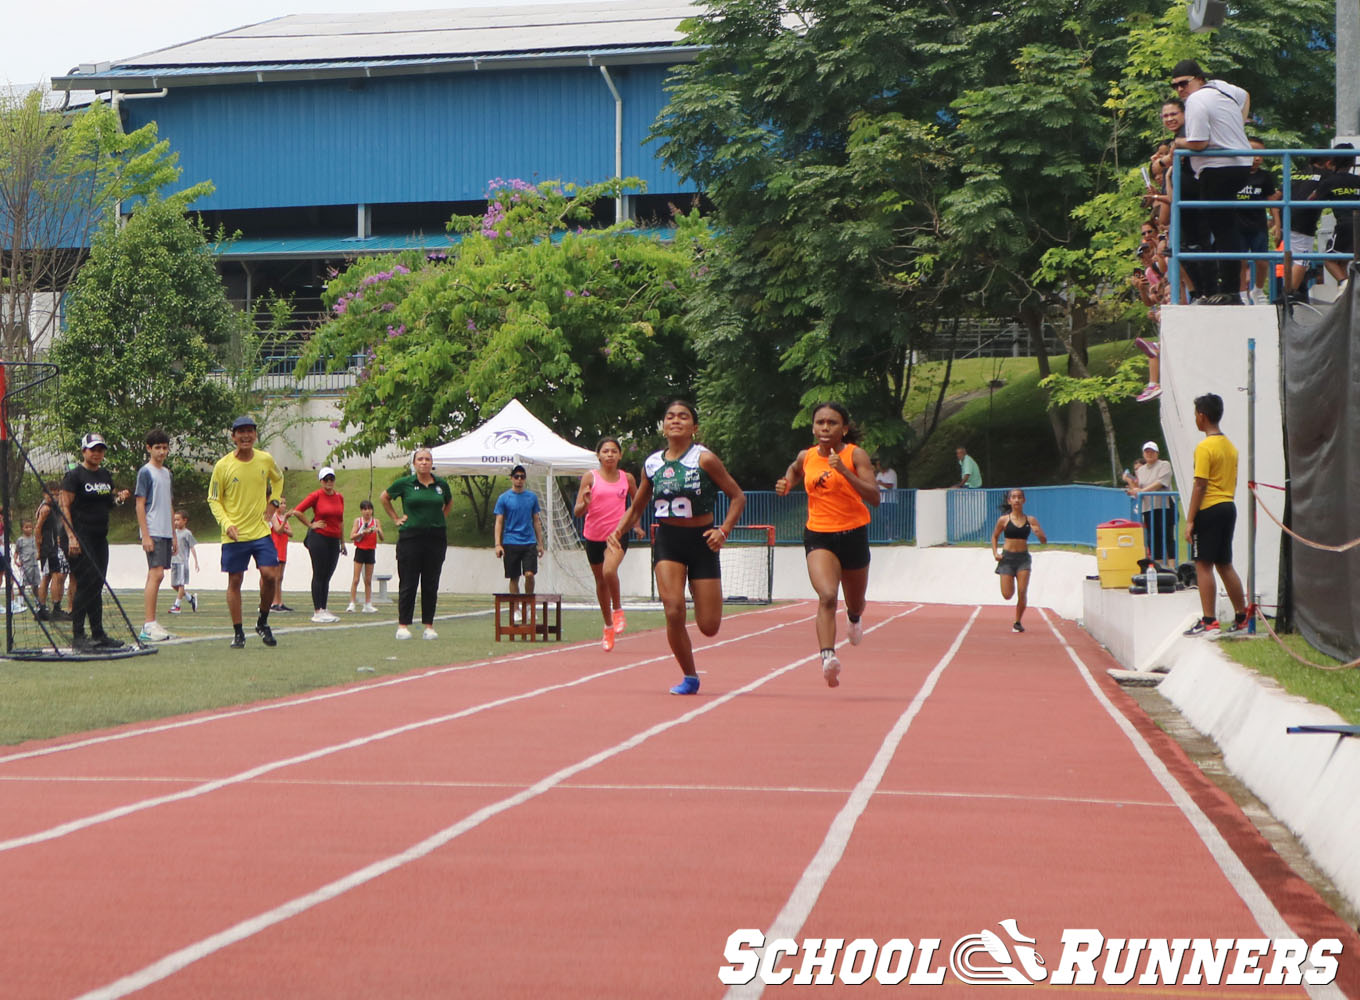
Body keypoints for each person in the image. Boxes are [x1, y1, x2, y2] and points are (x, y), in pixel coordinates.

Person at [608, 400, 746, 695]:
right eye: (670, 417)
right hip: (669, 540)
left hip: (702, 541)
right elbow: (638, 505)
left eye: (683, 417)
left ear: (694, 428)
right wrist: (618, 531)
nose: (676, 421)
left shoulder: (705, 460)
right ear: (663, 426)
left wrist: (723, 531)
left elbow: (738, 497)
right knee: (673, 610)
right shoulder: (653, 463)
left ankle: (698, 589)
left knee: (709, 626)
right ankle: (690, 676)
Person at [775, 402, 880, 687]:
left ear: (844, 429)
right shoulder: (806, 456)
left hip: (853, 534)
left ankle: (855, 617)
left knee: (854, 601)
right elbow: (795, 470)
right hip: (819, 534)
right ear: (813, 427)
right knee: (827, 596)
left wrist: (845, 473)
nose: (825, 427)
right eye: (820, 422)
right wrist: (787, 482)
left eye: (832, 423)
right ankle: (827, 657)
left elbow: (875, 496)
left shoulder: (854, 454)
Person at [1170, 60, 1253, 303]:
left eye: (1183, 84)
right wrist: (1238, 124)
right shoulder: (1222, 87)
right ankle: (1228, 289)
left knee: (1223, 230)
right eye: (1175, 86)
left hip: (1218, 168)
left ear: (1198, 79)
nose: (1180, 90)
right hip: (1240, 164)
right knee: (1224, 227)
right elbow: (1245, 95)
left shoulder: (1196, 100)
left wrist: (1176, 143)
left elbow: (1198, 143)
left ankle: (1229, 290)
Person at [207, 415, 285, 649]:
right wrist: (226, 524)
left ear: (255, 435)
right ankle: (238, 631)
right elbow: (213, 499)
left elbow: (279, 480)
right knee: (235, 580)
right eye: (240, 432)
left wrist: (273, 504)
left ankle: (262, 622)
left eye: (250, 431)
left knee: (270, 575)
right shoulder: (223, 466)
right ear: (233, 436)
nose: (245, 436)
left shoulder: (265, 459)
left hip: (260, 531)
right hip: (235, 535)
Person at [1183, 393, 1249, 636]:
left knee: (1203, 564)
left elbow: (1200, 485)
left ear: (1201, 416)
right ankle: (1242, 614)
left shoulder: (1204, 447)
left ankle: (1209, 620)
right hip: (1228, 506)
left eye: (1195, 415)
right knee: (1224, 563)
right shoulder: (1229, 446)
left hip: (1209, 509)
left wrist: (1190, 520)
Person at [60, 432, 131, 652]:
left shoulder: (105, 475)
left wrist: (118, 499)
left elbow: (106, 503)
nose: (97, 453)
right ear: (84, 451)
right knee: (86, 582)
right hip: (79, 537)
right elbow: (64, 507)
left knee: (97, 583)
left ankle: (98, 634)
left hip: (99, 537)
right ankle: (78, 636)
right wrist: (71, 537)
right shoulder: (74, 476)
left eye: (101, 449)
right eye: (93, 449)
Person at [574, 437, 641, 651]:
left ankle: (618, 610)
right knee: (601, 581)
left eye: (614, 451)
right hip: (593, 536)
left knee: (609, 571)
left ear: (620, 455)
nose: (610, 454)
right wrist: (585, 502)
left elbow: (637, 503)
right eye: (606, 451)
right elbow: (578, 511)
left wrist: (636, 526)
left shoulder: (627, 478)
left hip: (617, 535)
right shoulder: (590, 477)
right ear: (599, 456)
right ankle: (608, 626)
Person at [380, 447, 452, 640]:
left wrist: (440, 518)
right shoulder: (405, 483)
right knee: (409, 582)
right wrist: (396, 518)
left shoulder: (441, 484)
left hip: (435, 538)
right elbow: (384, 497)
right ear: (414, 463)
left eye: (427, 459)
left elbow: (448, 502)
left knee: (431, 582)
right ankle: (403, 625)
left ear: (432, 463)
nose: (424, 462)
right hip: (411, 537)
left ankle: (429, 625)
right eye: (420, 459)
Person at [134, 428, 176, 643]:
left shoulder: (167, 473)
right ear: (149, 448)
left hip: (165, 531)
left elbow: (168, 504)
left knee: (160, 575)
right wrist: (145, 535)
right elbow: (140, 504)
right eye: (157, 447)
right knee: (156, 574)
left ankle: (152, 622)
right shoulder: (146, 472)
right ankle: (148, 624)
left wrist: (174, 536)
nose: (161, 451)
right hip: (153, 529)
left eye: (164, 448)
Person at [290, 467, 347, 623]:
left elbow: (340, 521)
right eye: (326, 479)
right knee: (319, 573)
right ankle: (317, 610)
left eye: (331, 479)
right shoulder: (316, 495)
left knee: (328, 574)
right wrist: (311, 524)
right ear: (321, 481)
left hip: (334, 539)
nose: (329, 482)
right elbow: (298, 511)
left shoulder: (339, 497)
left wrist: (343, 542)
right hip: (319, 538)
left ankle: (324, 607)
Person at [990, 488, 1047, 634]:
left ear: (1024, 500)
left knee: (1022, 591)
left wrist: (1039, 534)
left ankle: (1017, 621)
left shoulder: (1031, 520)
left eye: (1019, 497)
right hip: (1007, 559)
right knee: (1007, 595)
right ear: (1009, 501)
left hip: (1023, 559)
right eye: (1013, 497)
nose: (1016, 500)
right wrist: (995, 553)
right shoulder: (1004, 520)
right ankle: (1010, 584)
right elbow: (995, 536)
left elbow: (1043, 541)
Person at [1236, 138, 1281, 301]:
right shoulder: (1234, 173)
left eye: (1260, 154)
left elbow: (1272, 201)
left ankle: (1258, 290)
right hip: (1237, 223)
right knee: (1239, 260)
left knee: (1261, 260)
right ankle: (1242, 293)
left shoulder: (1265, 176)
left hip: (1258, 223)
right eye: (1253, 152)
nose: (1257, 158)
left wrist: (1277, 223)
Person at [494, 465, 545, 604]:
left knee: (529, 574)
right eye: (516, 476)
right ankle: (516, 607)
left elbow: (536, 520)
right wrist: (498, 544)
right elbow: (499, 522)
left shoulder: (531, 497)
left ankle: (528, 604)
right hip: (511, 541)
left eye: (522, 477)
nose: (519, 479)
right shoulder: (504, 498)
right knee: (514, 576)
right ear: (511, 478)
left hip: (528, 541)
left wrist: (540, 543)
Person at [1312, 144, 1359, 284]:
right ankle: (1347, 293)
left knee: (1329, 260)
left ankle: (1344, 285)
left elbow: (1311, 200)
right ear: (1352, 162)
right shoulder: (1358, 180)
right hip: (1357, 223)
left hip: (1345, 225)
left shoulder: (1329, 182)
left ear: (1332, 161)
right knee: (1343, 260)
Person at [1124, 441, 1176, 563]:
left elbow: (1160, 483)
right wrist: (1132, 488)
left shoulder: (1164, 465)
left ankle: (1172, 565)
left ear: (1157, 453)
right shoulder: (1141, 470)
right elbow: (1138, 485)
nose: (1149, 454)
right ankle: (1157, 565)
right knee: (1153, 537)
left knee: (1167, 535)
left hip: (1164, 505)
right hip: (1148, 507)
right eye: (1147, 452)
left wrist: (1142, 491)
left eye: (1152, 452)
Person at [34, 483, 69, 622]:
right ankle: (53, 607)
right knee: (56, 575)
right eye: (51, 494)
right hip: (49, 549)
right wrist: (39, 549)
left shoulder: (54, 508)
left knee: (49, 576)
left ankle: (43, 608)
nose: (54, 496)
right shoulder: (46, 509)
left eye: (56, 494)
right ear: (44, 494)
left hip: (52, 546)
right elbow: (37, 529)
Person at [346, 499, 384, 613]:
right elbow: (351, 536)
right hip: (360, 550)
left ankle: (368, 604)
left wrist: (377, 530)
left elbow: (382, 537)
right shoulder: (358, 521)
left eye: (369, 509)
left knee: (368, 580)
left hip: (371, 551)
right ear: (361, 511)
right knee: (356, 579)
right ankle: (352, 603)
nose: (367, 511)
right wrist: (362, 532)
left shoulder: (376, 521)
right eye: (364, 509)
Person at [168, 510, 199, 614]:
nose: (176, 522)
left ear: (184, 520)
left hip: (182, 562)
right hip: (174, 561)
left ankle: (177, 606)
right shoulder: (173, 533)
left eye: (178, 520)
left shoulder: (187, 533)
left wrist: (196, 561)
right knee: (174, 584)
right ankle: (190, 598)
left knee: (181, 584)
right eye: (174, 520)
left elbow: (192, 547)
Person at [267, 496, 294, 612]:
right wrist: (285, 522)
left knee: (280, 577)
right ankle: (273, 602)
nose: (283, 506)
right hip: (275, 548)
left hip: (283, 549)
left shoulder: (283, 517)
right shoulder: (274, 517)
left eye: (284, 503)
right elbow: (278, 530)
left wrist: (285, 525)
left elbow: (291, 533)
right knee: (275, 577)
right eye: (281, 503)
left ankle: (280, 601)